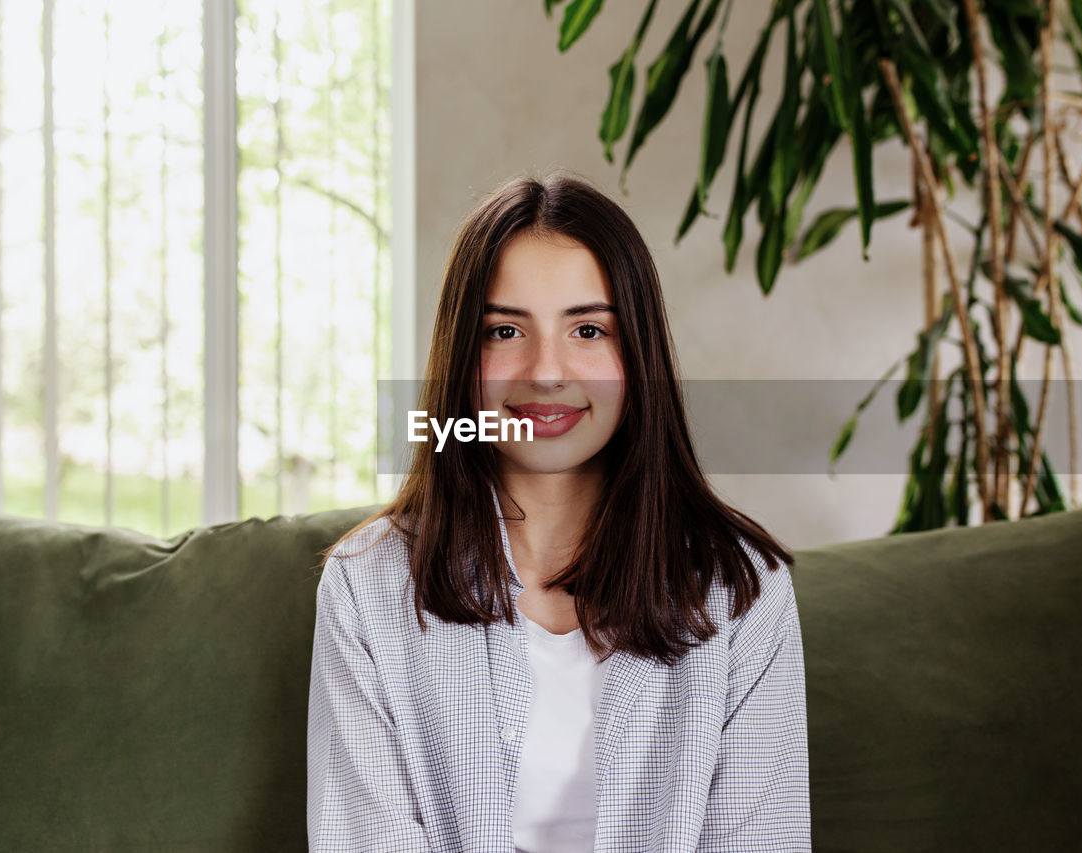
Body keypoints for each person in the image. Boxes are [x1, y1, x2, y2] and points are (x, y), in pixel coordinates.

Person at [306, 173, 810, 852]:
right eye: (506, 329)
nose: (546, 370)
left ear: (638, 355)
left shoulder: (744, 588)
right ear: (461, 360)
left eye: (588, 328)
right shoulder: (364, 585)